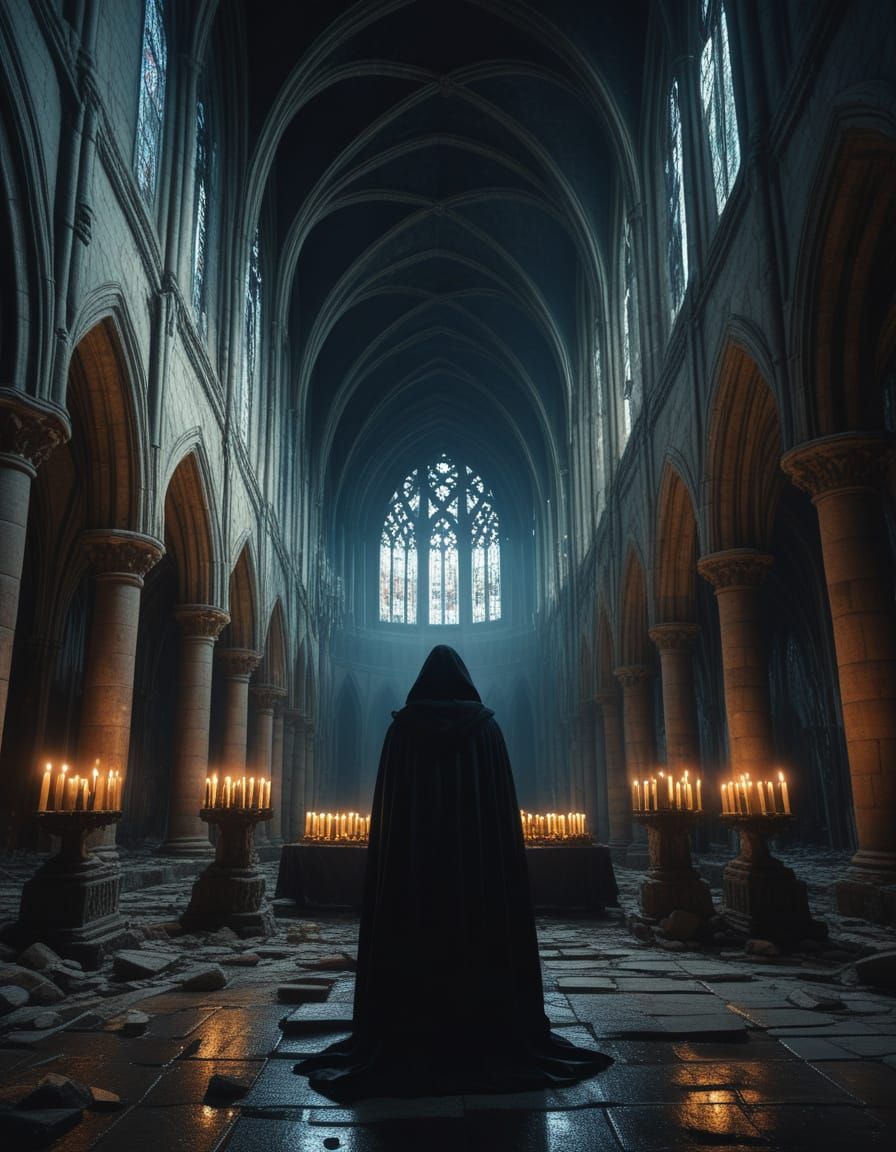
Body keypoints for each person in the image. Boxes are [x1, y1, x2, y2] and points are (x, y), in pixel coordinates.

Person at [294, 644, 612, 1099]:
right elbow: (499, 818)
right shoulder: (488, 731)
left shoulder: (401, 732)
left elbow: (393, 818)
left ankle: (409, 1031)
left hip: (414, 881)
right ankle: (485, 1029)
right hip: (480, 879)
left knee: (415, 938)